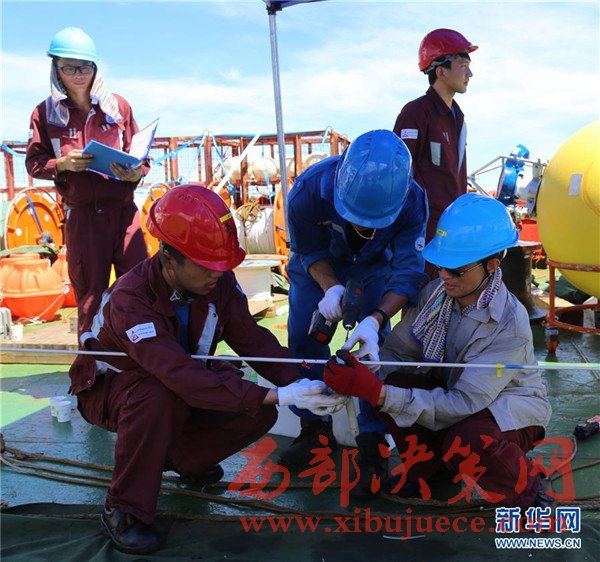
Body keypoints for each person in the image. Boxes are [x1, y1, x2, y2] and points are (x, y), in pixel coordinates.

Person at [69, 184, 346, 555]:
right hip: (113, 390)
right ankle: (123, 509)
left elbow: (254, 341)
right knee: (157, 395)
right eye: (206, 264)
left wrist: (306, 384)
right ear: (169, 258)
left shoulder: (218, 282)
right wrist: (277, 394)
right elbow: (177, 375)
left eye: (222, 263)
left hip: (176, 382)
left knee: (254, 411)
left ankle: (183, 460)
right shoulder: (131, 301)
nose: (218, 273)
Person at [324, 193, 553, 508]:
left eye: (456, 270)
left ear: (492, 266)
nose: (444, 275)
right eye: (441, 265)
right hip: (456, 393)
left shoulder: (509, 324)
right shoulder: (436, 295)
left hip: (509, 408)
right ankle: (431, 473)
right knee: (393, 383)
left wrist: (378, 393)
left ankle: (529, 491)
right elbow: (398, 353)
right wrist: (364, 366)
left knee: (468, 441)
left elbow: (464, 402)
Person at [282, 129, 428, 496]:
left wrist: (376, 319)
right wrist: (331, 287)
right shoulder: (307, 191)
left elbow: (408, 272)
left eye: (374, 222)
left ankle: (373, 446)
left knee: (372, 356)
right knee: (304, 339)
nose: (364, 227)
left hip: (373, 272)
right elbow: (307, 251)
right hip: (315, 271)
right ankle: (313, 431)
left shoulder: (413, 201)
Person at [26, 27, 149, 336]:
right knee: (90, 296)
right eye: (69, 68)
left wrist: (135, 172)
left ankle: (144, 354)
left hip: (124, 213)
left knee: (140, 288)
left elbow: (141, 155)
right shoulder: (43, 114)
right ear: (56, 69)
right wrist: (62, 164)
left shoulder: (119, 107)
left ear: (95, 68)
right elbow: (34, 163)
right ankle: (93, 359)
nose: (78, 75)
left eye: (84, 67)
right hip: (83, 218)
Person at [393, 28, 477, 279]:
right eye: (463, 65)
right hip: (423, 232)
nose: (470, 74)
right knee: (421, 293)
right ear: (441, 71)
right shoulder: (416, 113)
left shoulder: (457, 118)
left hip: (450, 228)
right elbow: (399, 175)